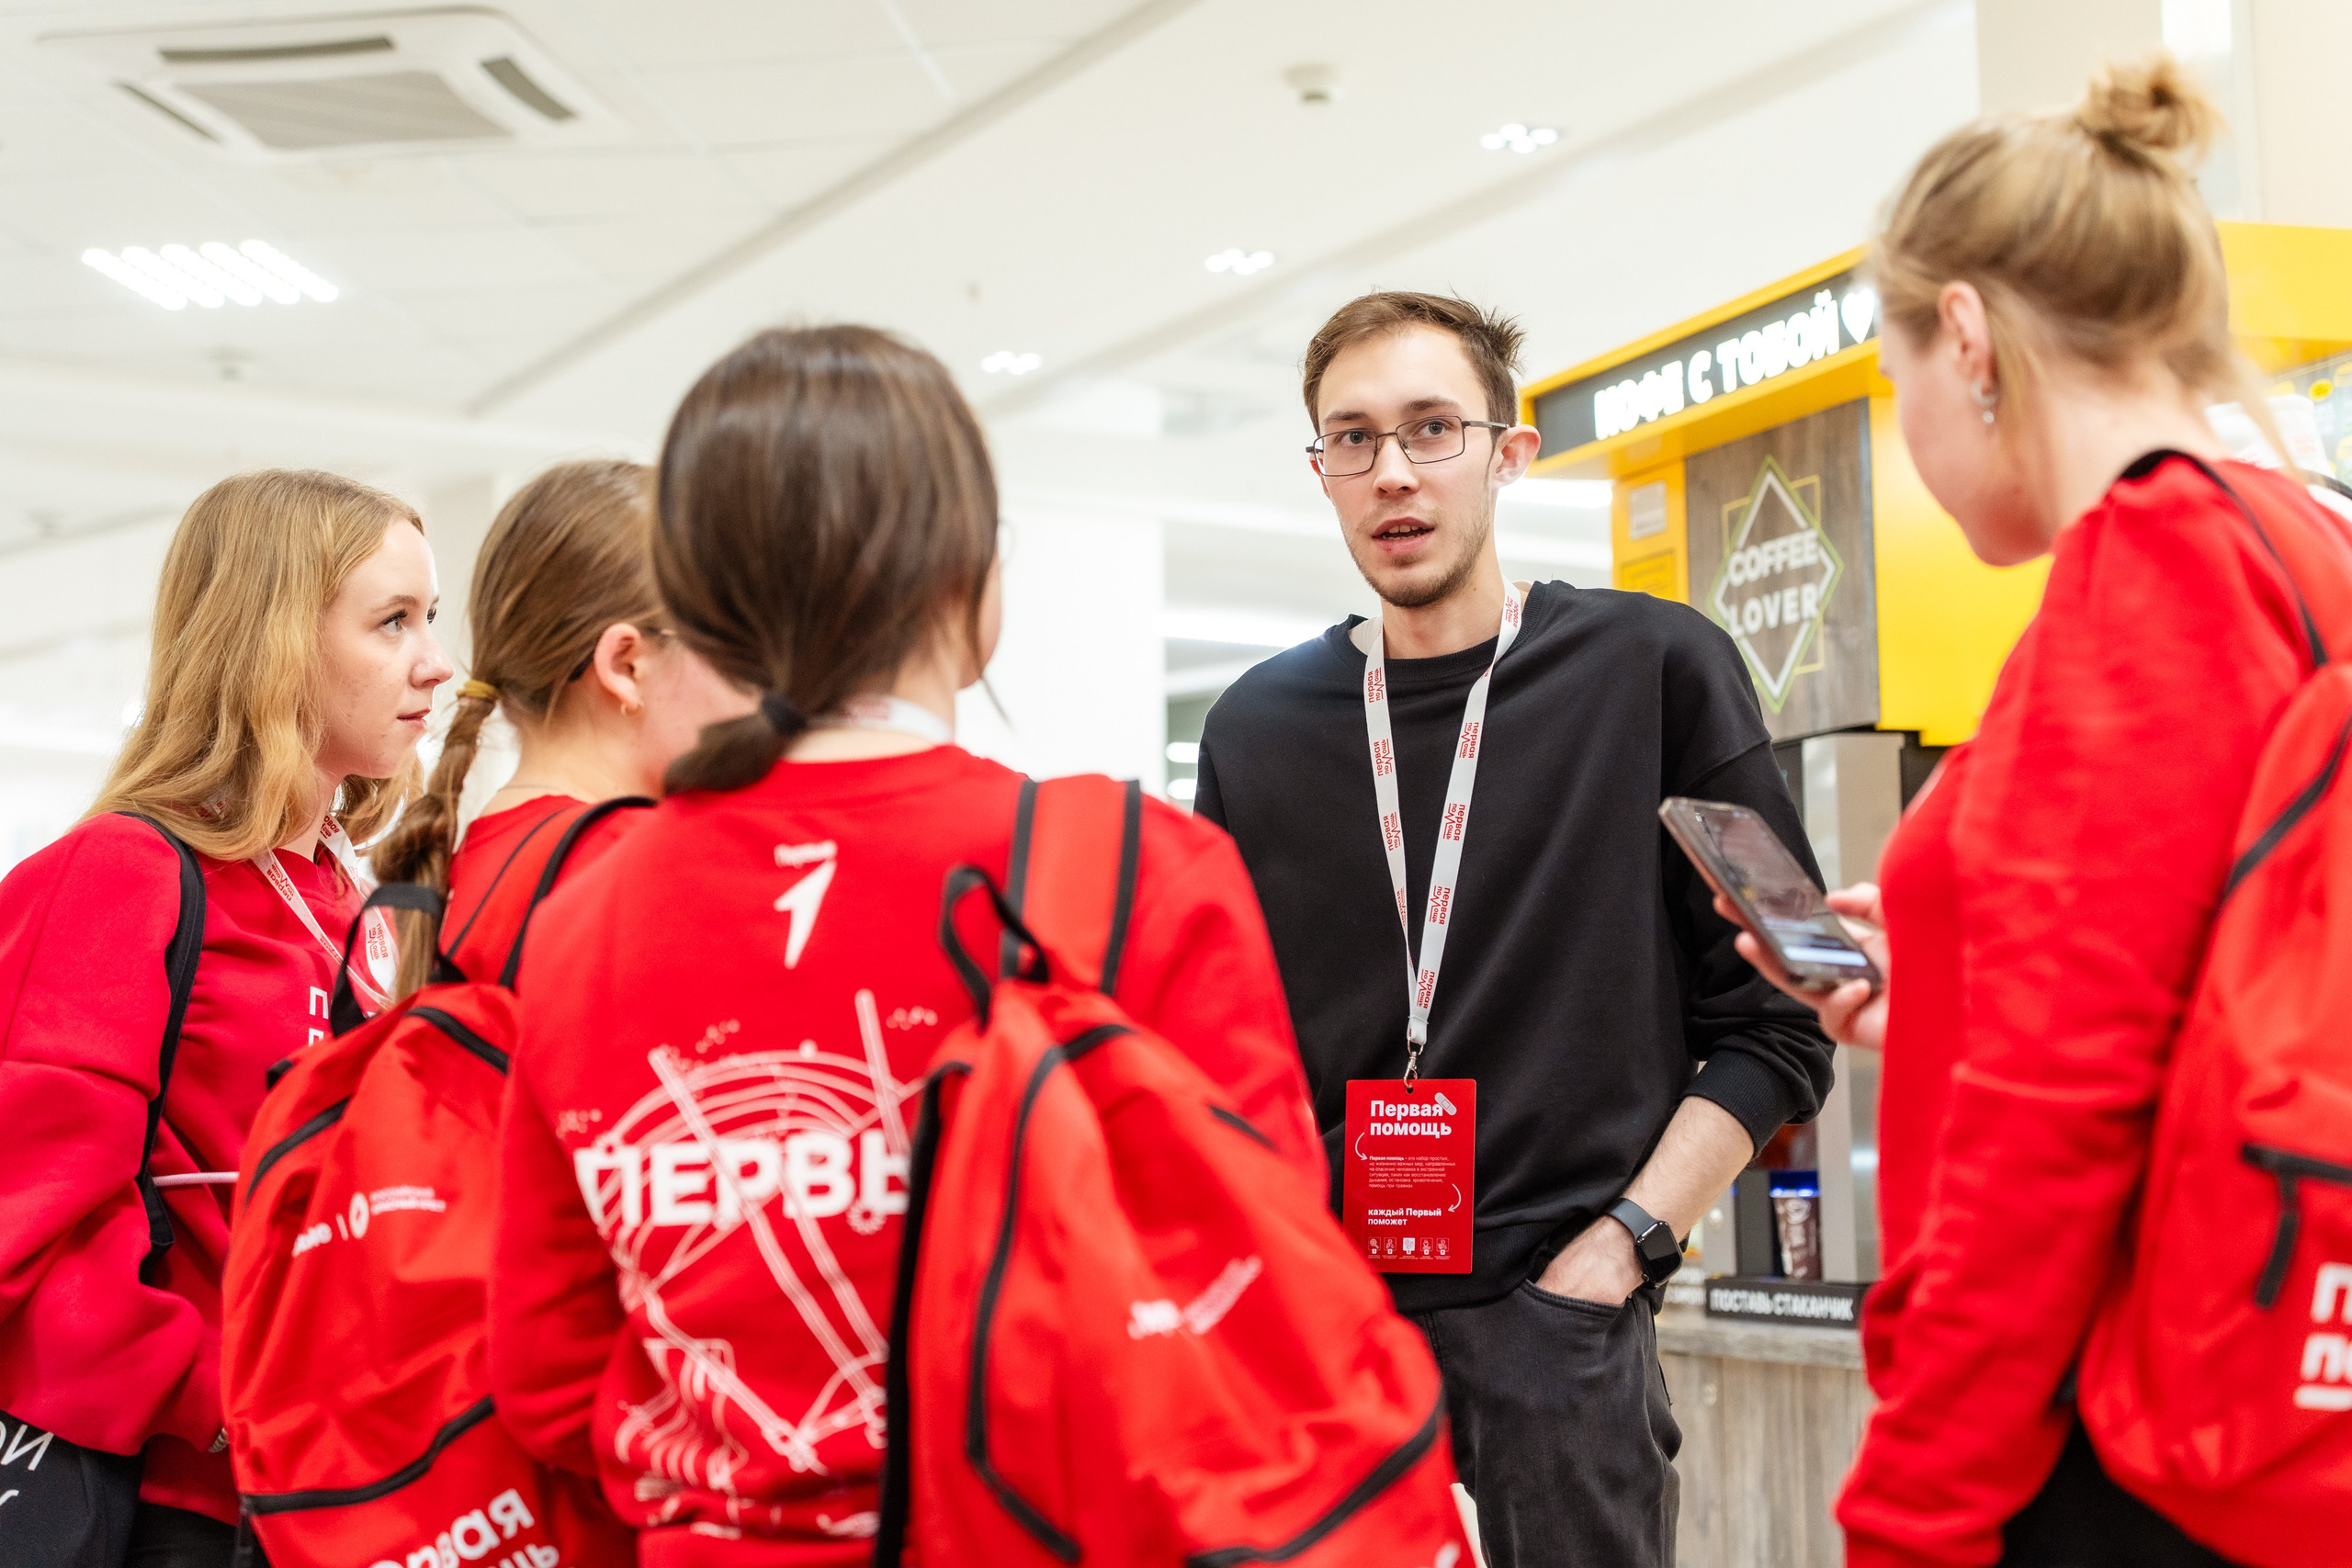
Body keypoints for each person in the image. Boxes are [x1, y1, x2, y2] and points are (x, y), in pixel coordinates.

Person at [486, 324, 1324, 1562]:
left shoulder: (583, 920)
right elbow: (1269, 1288)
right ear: (971, 582)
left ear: (698, 607)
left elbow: (548, 1367)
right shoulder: (1132, 869)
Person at [1731, 57, 2352, 1568]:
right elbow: (2207, 981)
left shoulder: (2148, 572)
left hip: (2126, 1435)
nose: (1912, 433)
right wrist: (1948, 982)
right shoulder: (2295, 537)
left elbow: (2052, 1119)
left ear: (1965, 337)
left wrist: (1913, 1506)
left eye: (1896, 385)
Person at [1193, 292, 1836, 1566]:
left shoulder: (1659, 668)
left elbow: (1794, 996)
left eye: (1432, 428)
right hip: (1327, 1337)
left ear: (1509, 451)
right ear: (1321, 470)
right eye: (1354, 437)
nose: (1393, 471)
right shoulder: (1256, 729)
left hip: (1561, 1321)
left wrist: (1623, 1249)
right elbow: (1224, 1061)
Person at [0, 470, 450, 1566]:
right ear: (276, 641)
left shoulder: (356, 902)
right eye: (393, 622)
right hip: (180, 1509)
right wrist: (225, 1407)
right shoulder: (123, 873)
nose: (436, 663)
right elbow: (28, 1234)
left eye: (430, 619)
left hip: (340, 1496)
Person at [369, 457, 751, 991]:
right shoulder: (641, 863)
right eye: (734, 651)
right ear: (627, 666)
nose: (755, 691)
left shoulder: (471, 857)